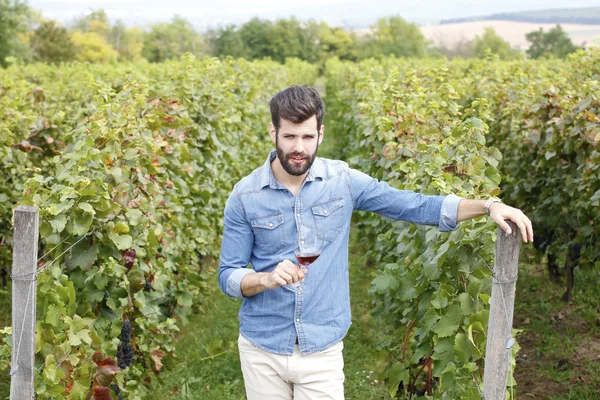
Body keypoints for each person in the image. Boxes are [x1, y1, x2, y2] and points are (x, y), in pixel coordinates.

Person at [218, 85, 533, 400]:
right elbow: (227, 273)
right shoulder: (245, 196)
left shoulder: (343, 181)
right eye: (289, 137)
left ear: (321, 134)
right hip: (263, 347)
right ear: (273, 131)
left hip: (322, 347)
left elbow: (413, 205)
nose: (299, 147)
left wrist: (488, 205)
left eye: (307, 137)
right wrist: (265, 278)